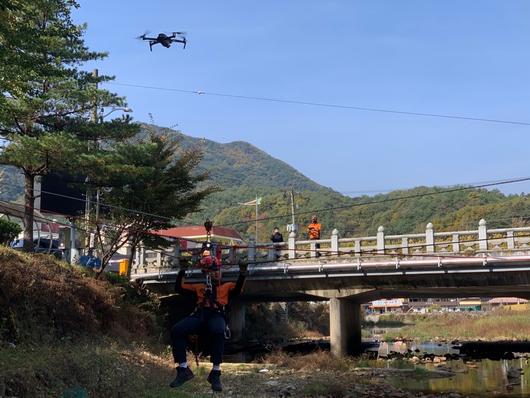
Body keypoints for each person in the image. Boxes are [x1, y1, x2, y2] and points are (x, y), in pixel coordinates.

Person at [169, 250, 247, 392]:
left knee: (218, 330)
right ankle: (183, 369)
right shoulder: (200, 287)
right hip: (200, 314)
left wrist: (242, 272)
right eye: (211, 271)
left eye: (217, 270)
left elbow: (236, 291)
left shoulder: (227, 286)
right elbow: (179, 288)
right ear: (206, 273)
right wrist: (182, 270)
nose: (215, 273)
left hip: (216, 315)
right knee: (177, 330)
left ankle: (215, 372)